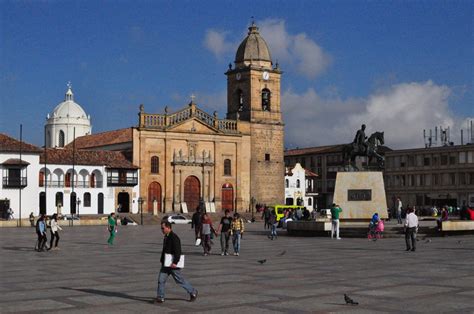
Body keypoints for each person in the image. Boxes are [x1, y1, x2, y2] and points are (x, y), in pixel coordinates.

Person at [155, 221, 197, 304]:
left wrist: (175, 262)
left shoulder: (174, 237)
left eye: (163, 228)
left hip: (173, 264)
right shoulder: (166, 237)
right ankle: (160, 297)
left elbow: (178, 251)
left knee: (179, 280)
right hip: (166, 264)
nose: (162, 230)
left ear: (168, 227)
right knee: (161, 280)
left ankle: (193, 292)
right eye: (161, 228)